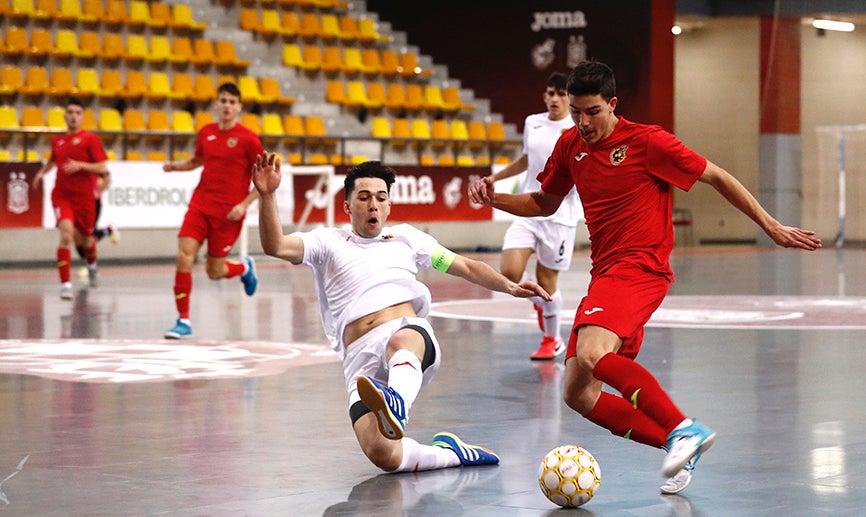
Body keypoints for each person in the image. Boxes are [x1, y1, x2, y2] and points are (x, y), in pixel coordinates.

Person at [468, 60, 822, 495]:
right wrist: (495, 198)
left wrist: (770, 225)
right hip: (606, 273)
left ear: (613, 104)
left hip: (641, 267)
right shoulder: (569, 145)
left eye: (593, 111)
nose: (583, 122)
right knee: (578, 393)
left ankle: (683, 428)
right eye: (576, 112)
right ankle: (679, 447)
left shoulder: (648, 142)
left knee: (595, 352)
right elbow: (545, 201)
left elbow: (717, 177)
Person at [253, 156, 552, 473]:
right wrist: (267, 196)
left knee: (401, 341)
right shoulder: (327, 242)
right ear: (347, 206)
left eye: (381, 199)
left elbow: (464, 266)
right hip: (359, 358)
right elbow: (276, 246)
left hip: (408, 336)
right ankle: (452, 454)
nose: (373, 206)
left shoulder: (408, 239)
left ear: (389, 206)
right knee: (385, 455)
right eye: (364, 198)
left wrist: (509, 286)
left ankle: (396, 399)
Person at [482, 72, 581, 361]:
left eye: (561, 94)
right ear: (544, 96)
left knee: (547, 280)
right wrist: (495, 177)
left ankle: (552, 339)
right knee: (510, 273)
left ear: (569, 98)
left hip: (560, 215)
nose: (555, 99)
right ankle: (538, 301)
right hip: (528, 209)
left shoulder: (575, 128)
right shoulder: (532, 122)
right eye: (551, 93)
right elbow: (526, 160)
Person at [162, 82, 263, 339]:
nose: (227, 105)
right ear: (216, 105)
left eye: (232, 101)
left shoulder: (248, 139)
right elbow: (197, 161)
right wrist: (176, 167)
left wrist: (243, 204)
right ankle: (183, 320)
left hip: (228, 215)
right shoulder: (206, 132)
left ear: (239, 107)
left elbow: (263, 179)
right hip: (200, 205)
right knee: (184, 256)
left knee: (214, 272)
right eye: (223, 101)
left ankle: (243, 268)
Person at [31, 97, 109, 300]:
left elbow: (102, 168)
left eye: (77, 113)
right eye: (70, 112)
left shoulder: (90, 139)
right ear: (65, 116)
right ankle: (65, 284)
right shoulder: (58, 140)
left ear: (83, 117)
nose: (73, 116)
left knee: (87, 240)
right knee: (66, 235)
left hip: (84, 198)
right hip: (62, 196)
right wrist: (42, 173)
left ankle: (91, 265)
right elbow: (53, 161)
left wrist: (81, 165)